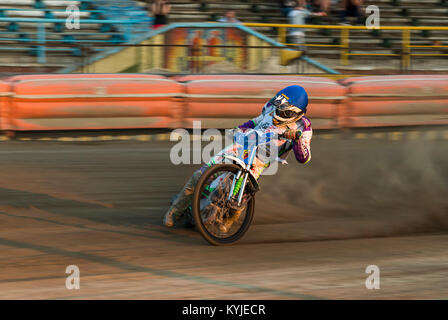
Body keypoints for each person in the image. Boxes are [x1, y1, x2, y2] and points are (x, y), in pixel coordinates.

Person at [163, 85, 313, 229]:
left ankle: (228, 222)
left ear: (296, 113)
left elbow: (304, 157)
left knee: (241, 197)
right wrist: (240, 129)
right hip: (242, 147)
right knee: (200, 176)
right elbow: (256, 121)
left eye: (284, 112)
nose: (278, 113)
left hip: (259, 161)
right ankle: (175, 211)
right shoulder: (270, 107)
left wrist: (297, 139)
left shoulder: (303, 127)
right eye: (278, 108)